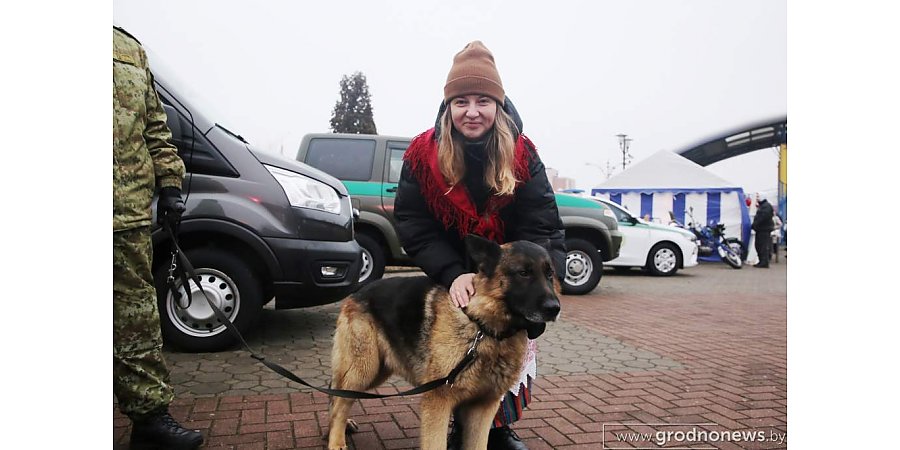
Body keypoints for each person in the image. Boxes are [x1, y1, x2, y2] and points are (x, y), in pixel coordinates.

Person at [394, 41, 566, 450]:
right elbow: (413, 222)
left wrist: (540, 284)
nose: (472, 111)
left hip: (510, 269)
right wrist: (453, 273)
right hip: (453, 263)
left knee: (511, 349)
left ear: (499, 106)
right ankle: (454, 423)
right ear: (447, 108)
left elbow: (542, 224)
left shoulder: (524, 154)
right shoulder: (422, 154)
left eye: (483, 100)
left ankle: (497, 428)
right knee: (453, 347)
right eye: (461, 101)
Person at [113, 26, 203, 449]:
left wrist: (169, 186)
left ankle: (149, 419)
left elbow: (154, 126)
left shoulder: (127, 48)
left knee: (136, 321)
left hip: (126, 214)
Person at [751, 192, 775, 268]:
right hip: (762, 229)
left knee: (762, 246)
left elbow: (762, 217)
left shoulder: (765, 207)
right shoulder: (765, 206)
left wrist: (755, 224)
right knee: (759, 245)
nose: (757, 199)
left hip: (763, 229)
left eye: (758, 197)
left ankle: (764, 262)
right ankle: (762, 261)